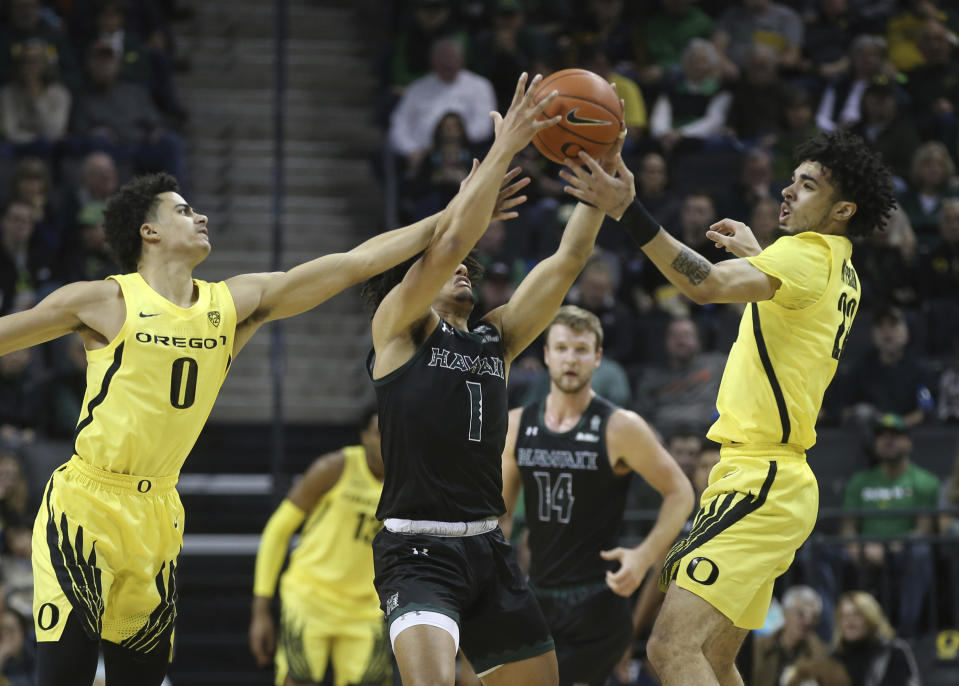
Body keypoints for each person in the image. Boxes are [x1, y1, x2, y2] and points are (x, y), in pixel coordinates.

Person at [0, 162, 515, 685]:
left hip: (157, 511)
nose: (199, 216)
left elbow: (354, 264)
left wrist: (457, 215)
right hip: (86, 505)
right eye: (183, 210)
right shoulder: (103, 299)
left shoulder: (231, 303)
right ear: (148, 231)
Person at [561, 128, 896, 685]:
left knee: (669, 650)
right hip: (774, 479)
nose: (787, 192)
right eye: (791, 180)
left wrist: (628, 209)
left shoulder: (805, 255)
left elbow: (707, 284)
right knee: (714, 659)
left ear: (841, 209)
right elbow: (793, 311)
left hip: (760, 478)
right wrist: (761, 256)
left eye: (806, 185)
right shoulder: (842, 269)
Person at [360, 72, 626, 685]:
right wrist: (505, 146)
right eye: (449, 266)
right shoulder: (398, 330)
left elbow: (567, 261)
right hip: (418, 549)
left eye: (470, 268)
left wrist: (602, 176)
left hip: (489, 546)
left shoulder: (495, 339)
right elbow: (450, 240)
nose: (463, 269)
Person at [500, 305, 693, 686]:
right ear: (547, 355)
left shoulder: (621, 426)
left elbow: (680, 493)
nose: (571, 358)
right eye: (562, 348)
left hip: (597, 603)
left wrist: (644, 556)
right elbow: (501, 513)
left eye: (581, 349)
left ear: (598, 358)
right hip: (537, 595)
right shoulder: (517, 424)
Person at [249, 406, 391, 686]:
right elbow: (278, 531)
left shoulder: (411, 481)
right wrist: (260, 609)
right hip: (310, 599)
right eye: (378, 433)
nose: (387, 440)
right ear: (364, 436)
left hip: (368, 608)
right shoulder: (335, 468)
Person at [839, 413, 939, 637]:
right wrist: (857, 548)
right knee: (818, 554)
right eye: (882, 436)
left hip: (902, 551)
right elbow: (848, 527)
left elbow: (924, 530)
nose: (887, 440)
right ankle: (830, 632)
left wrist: (888, 549)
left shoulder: (925, 481)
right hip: (862, 550)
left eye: (895, 435)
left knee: (920, 553)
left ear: (909, 442)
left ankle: (905, 634)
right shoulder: (860, 481)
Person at [831, 591, 920, 686]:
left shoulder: (893, 652)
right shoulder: (833, 658)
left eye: (856, 615)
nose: (849, 622)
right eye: (844, 616)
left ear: (871, 618)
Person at [750, 585, 829, 686]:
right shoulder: (759, 647)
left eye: (814, 616)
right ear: (785, 613)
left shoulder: (820, 654)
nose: (807, 622)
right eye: (801, 614)